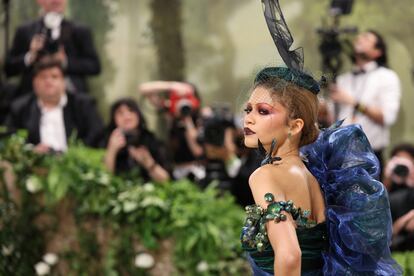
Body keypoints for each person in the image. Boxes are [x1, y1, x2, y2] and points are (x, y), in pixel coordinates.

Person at [240, 67, 401, 275]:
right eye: (248, 109)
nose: (248, 119)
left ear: (295, 126)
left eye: (262, 111)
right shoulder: (313, 175)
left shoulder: (265, 175)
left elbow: (289, 256)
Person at [329, 30, 401, 176]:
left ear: (377, 52)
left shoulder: (387, 77)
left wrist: (354, 102)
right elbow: (332, 119)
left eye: (366, 38)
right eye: (359, 36)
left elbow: (387, 117)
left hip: (370, 157)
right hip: (340, 157)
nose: (360, 39)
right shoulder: (343, 79)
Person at [5, 56, 104, 153]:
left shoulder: (83, 105)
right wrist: (31, 152)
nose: (48, 81)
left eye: (54, 76)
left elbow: (96, 136)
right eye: (43, 77)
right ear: (35, 83)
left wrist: (72, 154)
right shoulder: (20, 108)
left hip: (75, 163)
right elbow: (10, 139)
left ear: (63, 82)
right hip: (36, 165)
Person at [4, 0, 101, 97]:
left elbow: (94, 66)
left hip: (72, 98)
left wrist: (65, 61)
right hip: (31, 100)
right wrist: (30, 57)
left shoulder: (80, 31)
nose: (56, 1)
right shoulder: (25, 31)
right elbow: (8, 68)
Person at [138, 81, 205, 181]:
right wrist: (172, 86)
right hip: (176, 171)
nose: (182, 102)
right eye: (178, 98)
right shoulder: (170, 113)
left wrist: (187, 118)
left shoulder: (201, 117)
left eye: (186, 98)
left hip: (198, 170)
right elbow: (143, 88)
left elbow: (197, 151)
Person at [104, 98, 170, 182]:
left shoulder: (151, 140)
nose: (127, 116)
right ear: (114, 119)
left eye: (131, 111)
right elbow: (104, 178)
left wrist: (149, 163)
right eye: (120, 113)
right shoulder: (109, 141)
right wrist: (112, 150)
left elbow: (166, 180)